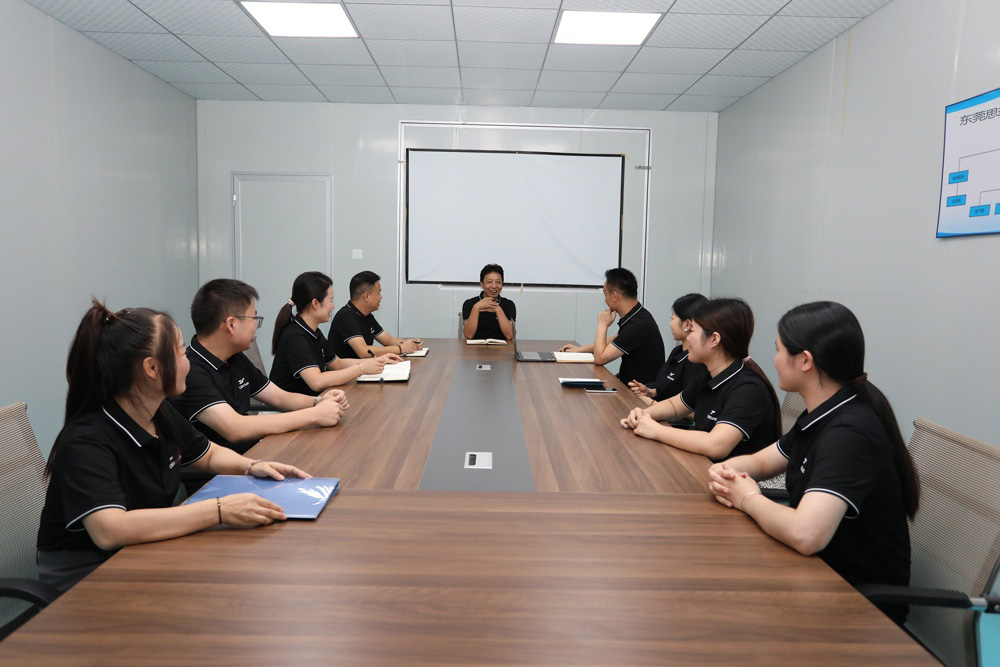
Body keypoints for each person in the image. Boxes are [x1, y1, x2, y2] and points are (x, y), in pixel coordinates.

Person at [37, 300, 311, 593]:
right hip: (88, 576)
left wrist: (252, 466)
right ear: (152, 368)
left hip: (142, 551)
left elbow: (208, 454)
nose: (188, 361)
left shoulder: (159, 412)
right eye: (181, 352)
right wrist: (219, 510)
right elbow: (110, 530)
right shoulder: (87, 439)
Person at [706, 301, 919, 626]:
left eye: (778, 350)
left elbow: (806, 534)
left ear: (805, 360)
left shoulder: (849, 433)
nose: (774, 360)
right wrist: (729, 470)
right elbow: (763, 460)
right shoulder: (823, 414)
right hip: (814, 576)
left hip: (859, 611)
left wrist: (747, 498)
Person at [171, 279, 349, 456]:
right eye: (254, 318)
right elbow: (235, 428)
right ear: (231, 325)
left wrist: (319, 401)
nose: (256, 326)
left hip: (253, 453)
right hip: (224, 466)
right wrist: (314, 415)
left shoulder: (235, 358)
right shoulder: (191, 371)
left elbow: (280, 397)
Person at [620, 297, 780, 460]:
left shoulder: (748, 389)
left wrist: (656, 430)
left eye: (693, 331)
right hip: (705, 466)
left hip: (732, 474)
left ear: (714, 339)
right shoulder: (709, 375)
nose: (688, 338)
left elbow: (715, 445)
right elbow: (674, 406)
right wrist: (643, 413)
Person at [270, 271, 401, 395]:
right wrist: (361, 368)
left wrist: (377, 361)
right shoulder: (295, 336)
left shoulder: (313, 331)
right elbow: (317, 382)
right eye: (331, 300)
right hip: (292, 408)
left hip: (314, 401)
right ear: (315, 303)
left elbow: (337, 364)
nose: (333, 306)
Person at [560, 267, 664, 386]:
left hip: (639, 393)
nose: (605, 299)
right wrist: (580, 349)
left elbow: (600, 359)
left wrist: (602, 325)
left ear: (614, 296)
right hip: (627, 384)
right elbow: (615, 340)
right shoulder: (637, 315)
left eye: (605, 294)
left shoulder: (638, 325)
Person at [628, 293, 708, 406]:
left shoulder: (695, 361)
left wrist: (653, 404)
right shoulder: (678, 351)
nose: (670, 324)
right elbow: (668, 388)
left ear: (687, 324)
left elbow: (691, 407)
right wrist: (649, 392)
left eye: (672, 318)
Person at [330, 270, 423, 359]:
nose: (381, 297)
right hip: (347, 369)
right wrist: (400, 349)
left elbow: (388, 340)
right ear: (366, 296)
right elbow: (364, 352)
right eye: (379, 292)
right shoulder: (346, 317)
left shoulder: (366, 316)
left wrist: (411, 344)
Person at [462, 263, 516, 341]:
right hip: (475, 348)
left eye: (498, 282)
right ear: (482, 284)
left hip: (502, 348)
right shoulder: (469, 304)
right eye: (489, 282)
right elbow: (468, 335)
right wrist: (476, 308)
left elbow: (510, 335)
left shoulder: (509, 305)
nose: (494, 286)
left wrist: (498, 309)